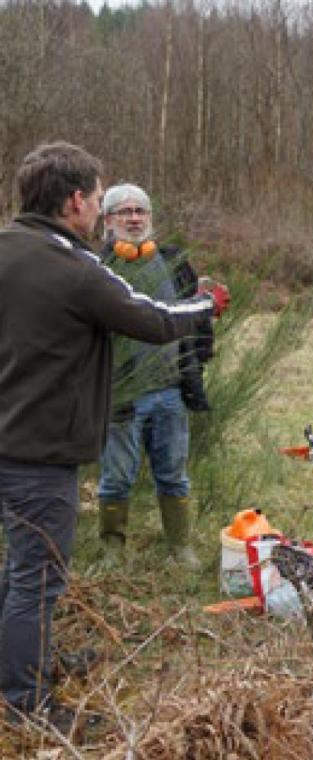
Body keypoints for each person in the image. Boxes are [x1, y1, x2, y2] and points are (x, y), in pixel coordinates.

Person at [0, 142, 226, 729]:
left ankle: (23, 666)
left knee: (18, 571)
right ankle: (25, 704)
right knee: (38, 580)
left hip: (9, 440)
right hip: (40, 452)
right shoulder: (73, 267)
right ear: (74, 200)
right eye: (99, 199)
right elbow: (152, 318)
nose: (102, 211)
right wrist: (205, 305)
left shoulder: (6, 249)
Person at [95, 183, 216, 569]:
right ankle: (113, 549)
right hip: (121, 395)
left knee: (174, 475)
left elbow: (195, 312)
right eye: (124, 212)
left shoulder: (173, 261)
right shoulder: (97, 268)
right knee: (116, 479)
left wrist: (198, 357)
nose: (133, 219)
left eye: (140, 211)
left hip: (171, 392)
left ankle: (181, 548)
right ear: (108, 220)